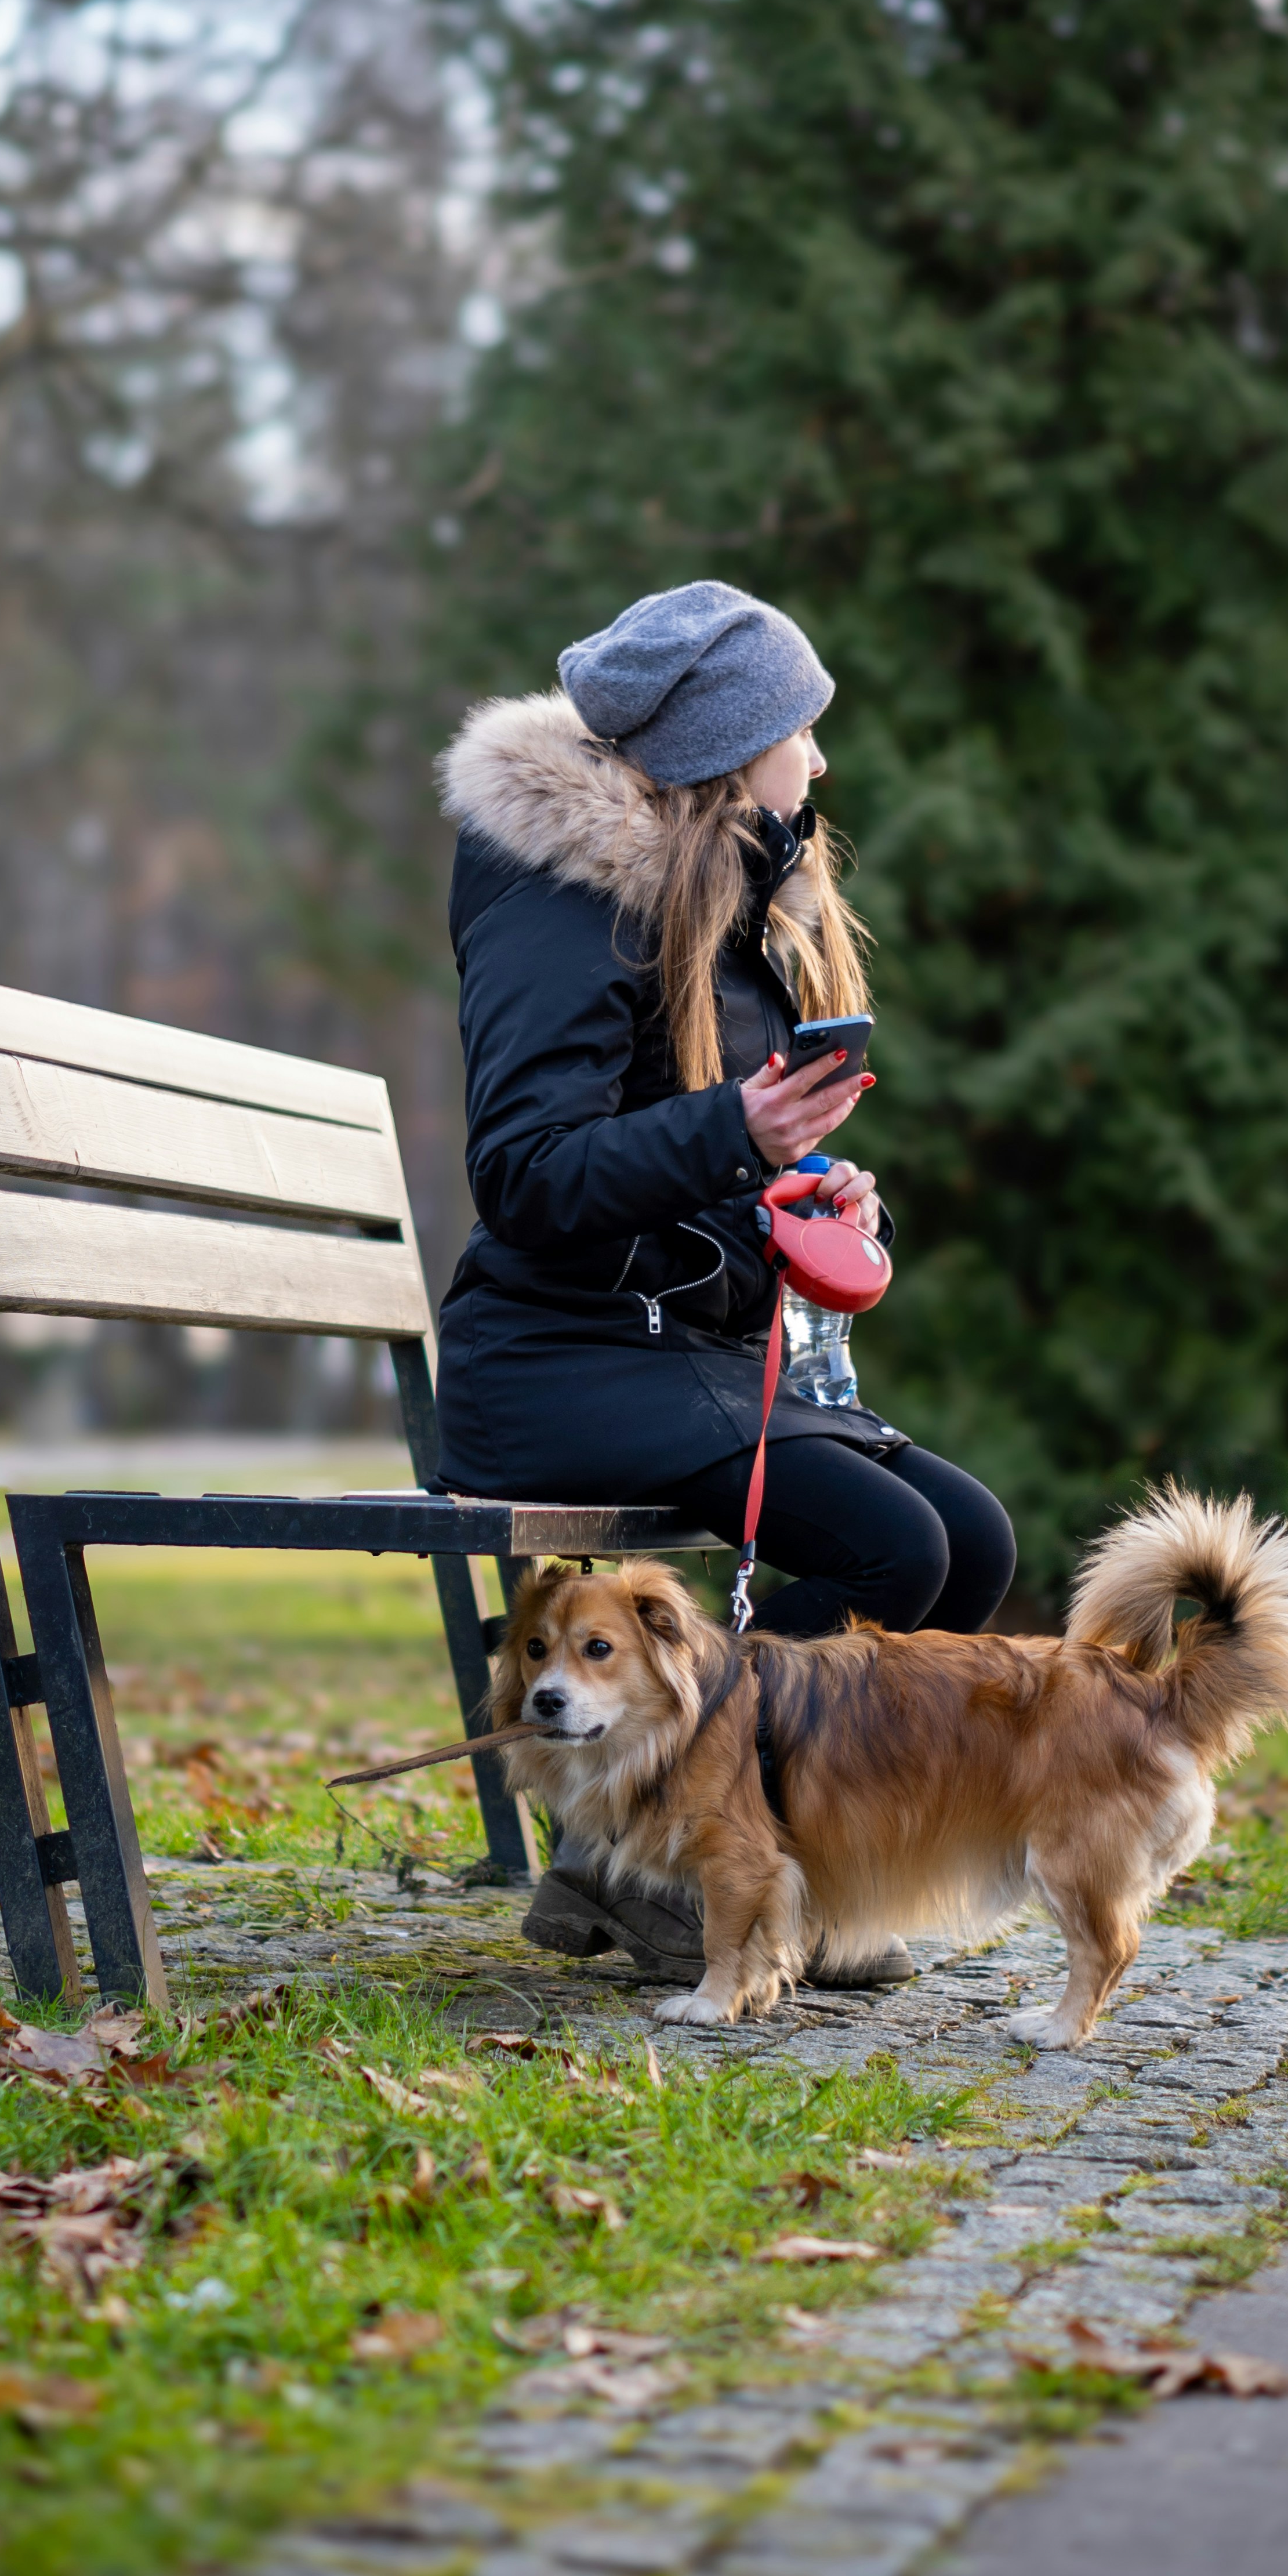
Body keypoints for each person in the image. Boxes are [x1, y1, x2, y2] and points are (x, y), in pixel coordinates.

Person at [434, 579, 1015, 1984]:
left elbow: (684, 1164)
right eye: (800, 732)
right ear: (725, 748)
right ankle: (683, 1872)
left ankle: (668, 1862)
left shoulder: (730, 893)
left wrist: (797, 1196)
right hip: (558, 1360)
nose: (819, 762)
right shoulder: (566, 901)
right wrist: (735, 1134)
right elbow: (528, 1174)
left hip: (667, 1349)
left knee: (973, 1544)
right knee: (899, 1552)